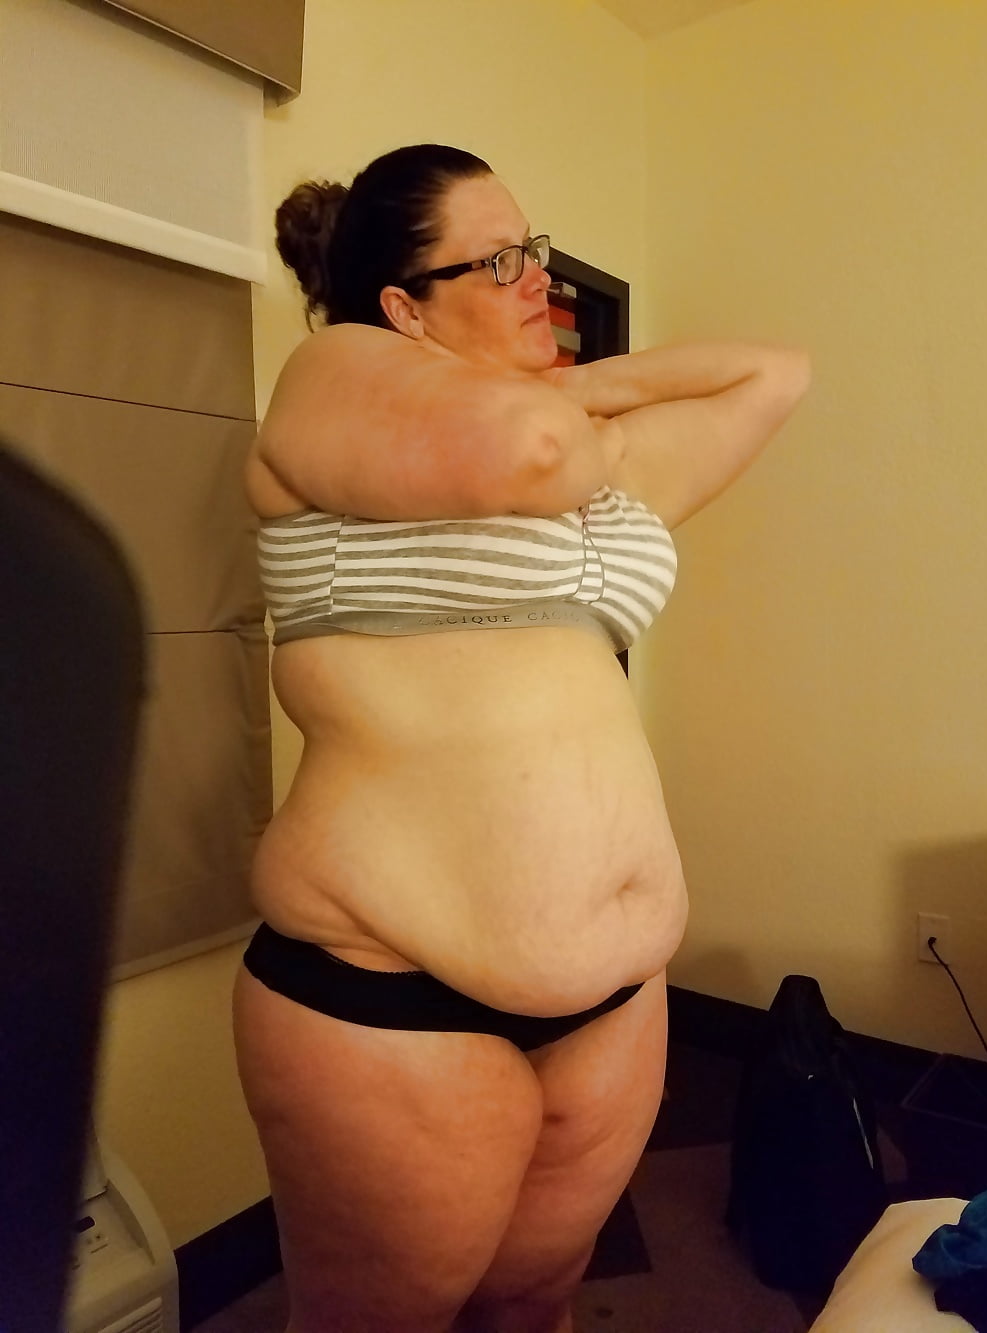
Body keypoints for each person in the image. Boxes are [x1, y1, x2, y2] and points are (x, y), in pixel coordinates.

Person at [232, 143, 810, 1333]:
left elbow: (773, 376)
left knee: (537, 1299)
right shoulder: (334, 370)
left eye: (532, 251)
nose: (538, 278)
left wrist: (582, 388)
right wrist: (581, 415)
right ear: (405, 309)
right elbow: (522, 453)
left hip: (614, 1002)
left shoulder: (581, 445)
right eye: (498, 262)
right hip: (388, 993)